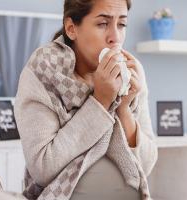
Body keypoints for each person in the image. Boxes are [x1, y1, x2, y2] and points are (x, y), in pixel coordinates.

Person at [14, 0, 158, 199]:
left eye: (121, 24)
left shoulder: (131, 73)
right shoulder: (44, 72)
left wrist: (123, 107)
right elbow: (42, 168)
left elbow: (146, 165)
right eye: (102, 24)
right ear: (72, 29)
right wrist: (100, 102)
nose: (115, 38)